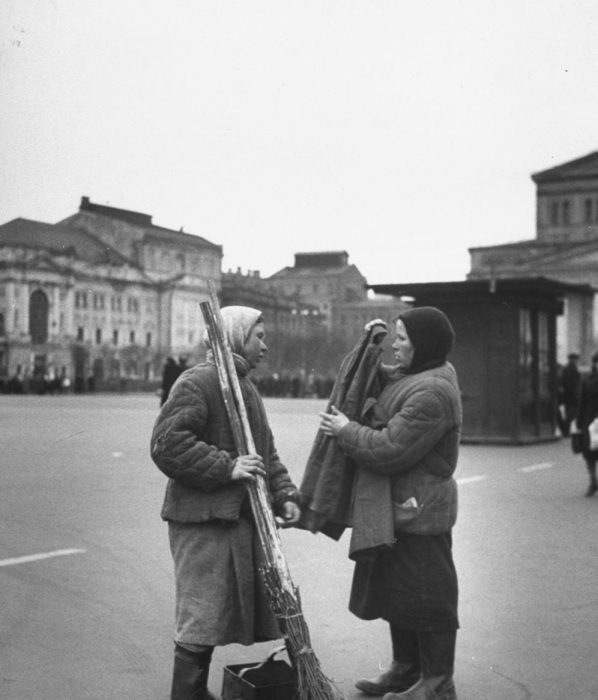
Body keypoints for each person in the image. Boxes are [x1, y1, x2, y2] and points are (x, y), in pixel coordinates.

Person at [150, 305, 301, 700]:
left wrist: (284, 494)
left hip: (234, 520)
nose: (265, 345)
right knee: (201, 618)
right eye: (259, 336)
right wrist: (227, 467)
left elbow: (265, 454)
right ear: (236, 336)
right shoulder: (198, 382)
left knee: (214, 616)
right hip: (201, 523)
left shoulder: (245, 387)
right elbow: (167, 444)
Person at [319, 306, 462, 700]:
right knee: (400, 590)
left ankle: (437, 681)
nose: (396, 346)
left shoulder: (432, 391)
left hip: (421, 511)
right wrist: (369, 348)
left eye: (401, 339)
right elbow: (383, 380)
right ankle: (406, 668)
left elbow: (389, 449)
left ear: (424, 344)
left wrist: (347, 430)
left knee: (428, 594)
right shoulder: (417, 376)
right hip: (401, 507)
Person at [576, 351, 598, 497]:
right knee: (589, 454)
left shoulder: (586, 379)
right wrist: (578, 422)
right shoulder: (586, 380)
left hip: (591, 419)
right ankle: (593, 481)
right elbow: (581, 401)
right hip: (589, 421)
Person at [557, 353, 581, 437]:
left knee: (570, 414)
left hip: (569, 396)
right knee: (571, 414)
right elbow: (570, 384)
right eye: (576, 359)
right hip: (571, 396)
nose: (577, 361)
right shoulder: (571, 370)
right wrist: (575, 394)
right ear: (572, 360)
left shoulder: (567, 369)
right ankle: (565, 430)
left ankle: (565, 430)